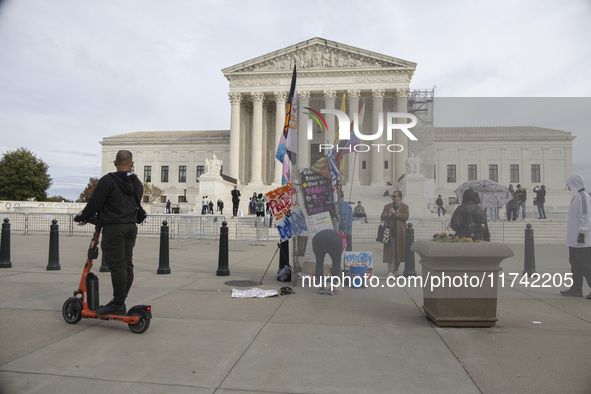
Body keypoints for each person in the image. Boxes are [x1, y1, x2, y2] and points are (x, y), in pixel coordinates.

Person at [74, 150, 143, 315]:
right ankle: (119, 301)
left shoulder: (108, 180)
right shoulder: (137, 183)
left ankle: (118, 303)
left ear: (114, 163)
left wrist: (83, 217)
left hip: (114, 228)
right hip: (131, 227)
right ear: (131, 164)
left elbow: (95, 202)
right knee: (127, 264)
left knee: (117, 266)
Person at [560, 175, 591, 298]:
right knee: (575, 263)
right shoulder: (575, 197)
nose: (567, 186)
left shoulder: (583, 196)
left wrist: (582, 233)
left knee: (584, 263)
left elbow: (585, 215)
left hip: (582, 239)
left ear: (574, 184)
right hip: (574, 239)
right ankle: (576, 289)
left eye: (568, 184)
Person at [380, 190, 409, 277]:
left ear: (399, 197)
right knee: (391, 253)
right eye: (392, 196)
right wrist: (387, 215)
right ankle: (390, 271)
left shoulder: (405, 207)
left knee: (399, 253)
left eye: (394, 196)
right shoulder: (387, 206)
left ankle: (396, 269)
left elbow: (405, 217)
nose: (392, 197)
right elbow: (381, 217)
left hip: (400, 233)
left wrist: (395, 213)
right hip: (390, 233)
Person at [312, 229, 347, 295]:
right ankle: (332, 288)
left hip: (318, 238)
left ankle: (321, 287)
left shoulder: (321, 234)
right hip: (335, 240)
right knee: (336, 262)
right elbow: (340, 252)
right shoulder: (340, 237)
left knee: (319, 262)